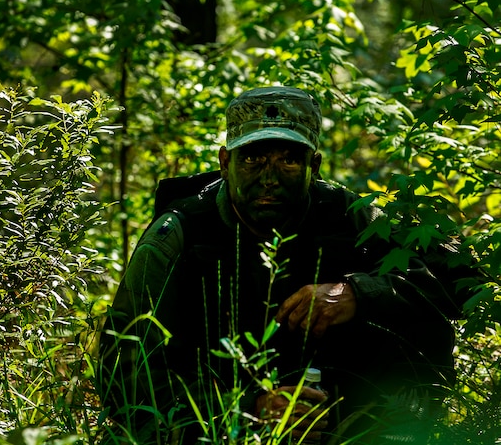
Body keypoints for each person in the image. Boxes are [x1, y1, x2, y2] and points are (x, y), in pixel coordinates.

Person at [98, 86, 468, 444]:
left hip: (343, 413)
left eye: (289, 160)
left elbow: (460, 274)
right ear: (225, 163)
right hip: (218, 419)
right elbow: (120, 372)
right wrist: (247, 408)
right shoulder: (177, 234)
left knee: (421, 312)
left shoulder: (348, 213)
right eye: (253, 158)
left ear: (315, 165)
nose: (269, 178)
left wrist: (356, 292)